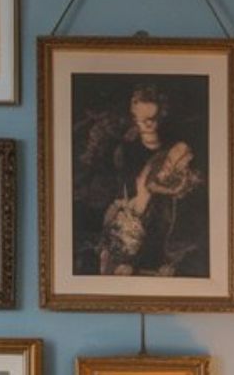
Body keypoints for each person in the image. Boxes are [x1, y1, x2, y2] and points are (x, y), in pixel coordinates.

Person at [74, 83, 208, 278]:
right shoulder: (126, 150)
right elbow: (124, 188)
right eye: (141, 119)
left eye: (152, 119)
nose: (147, 124)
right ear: (134, 116)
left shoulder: (172, 148)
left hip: (163, 216)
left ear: (160, 115)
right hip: (133, 210)